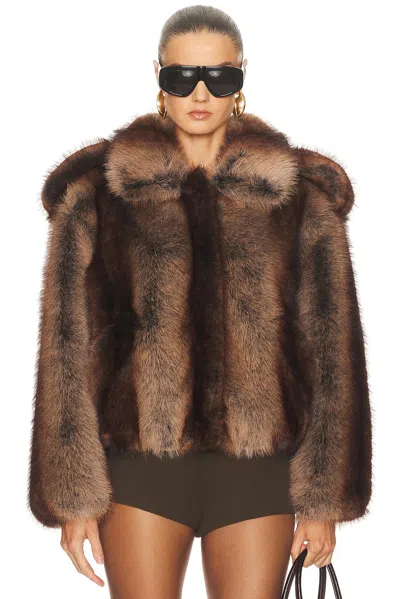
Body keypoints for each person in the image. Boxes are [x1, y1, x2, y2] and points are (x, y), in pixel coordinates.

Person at [27, 5, 373, 599]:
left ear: (242, 77)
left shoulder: (297, 198)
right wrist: (72, 495)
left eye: (220, 76)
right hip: (138, 470)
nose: (201, 93)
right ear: (158, 76)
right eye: (182, 76)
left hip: (259, 472)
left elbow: (333, 349)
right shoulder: (100, 195)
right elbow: (66, 348)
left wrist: (325, 498)